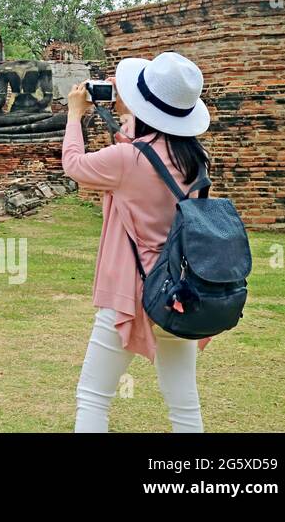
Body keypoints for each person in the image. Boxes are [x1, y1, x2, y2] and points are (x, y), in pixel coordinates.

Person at [62, 51, 213, 433]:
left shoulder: (127, 159)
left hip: (132, 292)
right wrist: (129, 112)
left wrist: (75, 116)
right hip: (179, 292)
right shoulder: (196, 159)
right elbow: (146, 157)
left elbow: (75, 166)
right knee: (184, 404)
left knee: (94, 397)